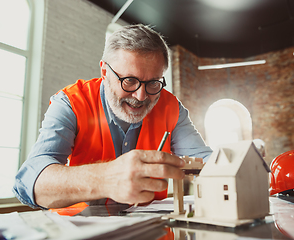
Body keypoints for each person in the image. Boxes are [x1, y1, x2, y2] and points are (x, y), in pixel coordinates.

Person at [13, 24, 212, 209]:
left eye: (153, 83)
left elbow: (207, 163)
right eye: (129, 81)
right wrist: (106, 178)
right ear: (104, 71)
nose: (141, 96)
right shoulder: (71, 102)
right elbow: (30, 182)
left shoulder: (171, 107)